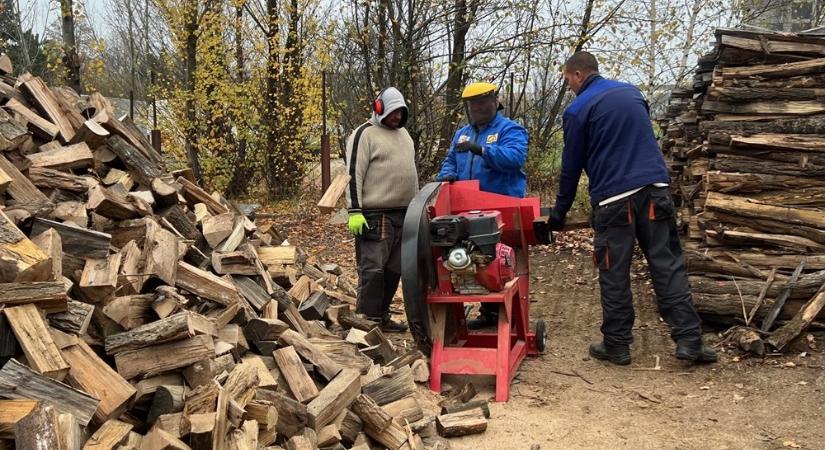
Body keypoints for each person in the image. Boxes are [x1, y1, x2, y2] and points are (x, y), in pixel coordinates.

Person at [547, 51, 717, 365]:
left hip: (614, 201)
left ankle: (617, 345)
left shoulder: (577, 110)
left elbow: (570, 167)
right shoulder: (631, 93)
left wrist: (558, 213)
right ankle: (690, 341)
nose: (569, 85)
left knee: (614, 271)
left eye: (568, 79)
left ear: (579, 75)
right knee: (668, 266)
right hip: (655, 191)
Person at [436, 81, 529, 329]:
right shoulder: (462, 133)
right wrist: (446, 175)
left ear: (494, 102)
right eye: (472, 104)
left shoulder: (511, 130)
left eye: (481, 102)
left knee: (500, 260)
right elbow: (450, 162)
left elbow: (514, 158)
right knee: (468, 259)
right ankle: (484, 312)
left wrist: (482, 150)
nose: (477, 108)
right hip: (465, 210)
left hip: (501, 209)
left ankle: (503, 314)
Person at [346, 87, 419, 332]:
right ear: (380, 108)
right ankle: (367, 320)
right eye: (394, 111)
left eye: (401, 112)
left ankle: (382, 316)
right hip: (376, 215)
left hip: (404, 214)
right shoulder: (364, 134)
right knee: (373, 268)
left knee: (393, 269)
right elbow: (353, 174)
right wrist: (354, 210)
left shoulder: (405, 135)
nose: (397, 116)